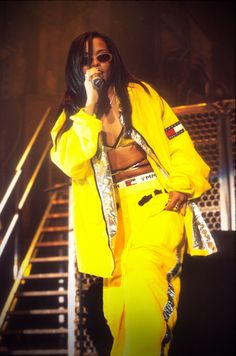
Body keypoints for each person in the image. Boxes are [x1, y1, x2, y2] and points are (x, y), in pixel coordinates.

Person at [50, 31, 217, 356]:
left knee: (144, 281)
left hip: (157, 205)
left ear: (114, 59)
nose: (95, 65)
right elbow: (70, 161)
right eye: (86, 60)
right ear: (76, 67)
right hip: (112, 227)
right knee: (122, 313)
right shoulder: (71, 115)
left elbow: (178, 141)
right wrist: (89, 107)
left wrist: (181, 184)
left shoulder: (142, 95)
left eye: (102, 56)